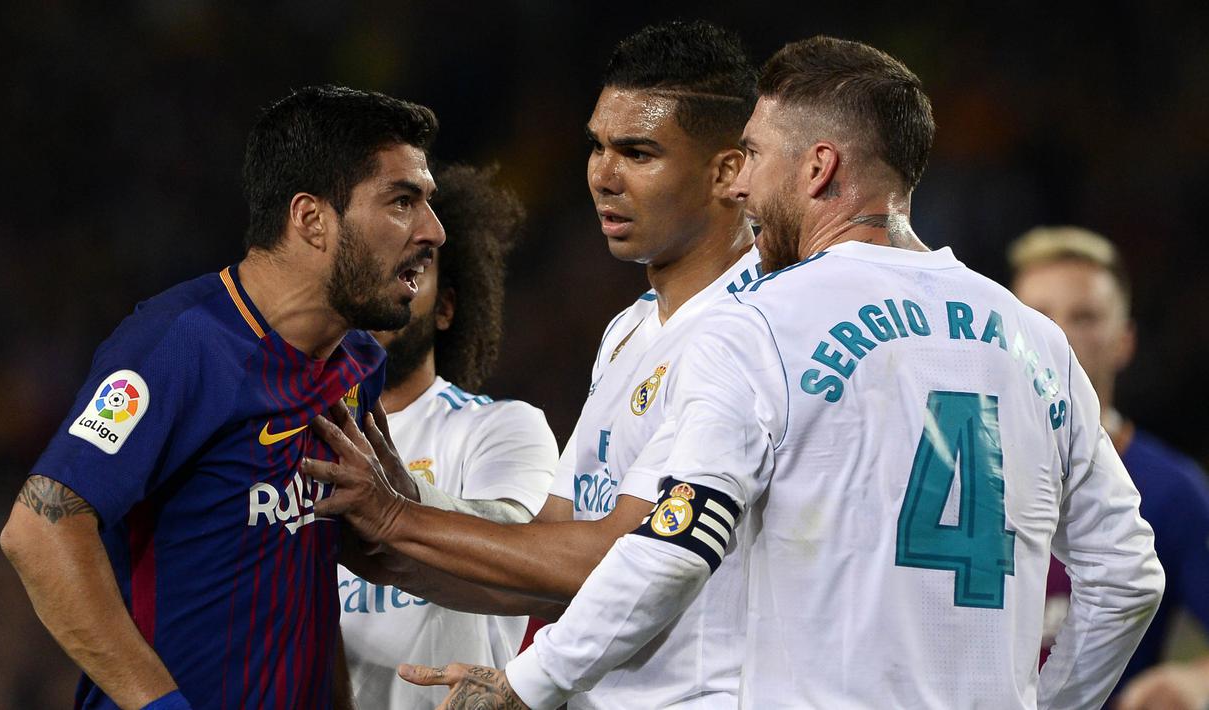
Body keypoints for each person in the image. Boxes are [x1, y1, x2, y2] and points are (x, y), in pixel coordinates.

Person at [386, 36, 1166, 709]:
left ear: (818, 167)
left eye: (755, 156)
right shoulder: (1032, 338)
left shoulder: (760, 323)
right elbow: (1127, 576)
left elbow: (678, 540)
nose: (740, 184)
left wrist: (529, 683)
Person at [306, 20, 760, 709]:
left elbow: (611, 554)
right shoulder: (631, 331)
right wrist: (368, 542)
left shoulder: (751, 330)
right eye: (597, 146)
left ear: (728, 172)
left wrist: (399, 521)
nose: (603, 176)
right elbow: (546, 553)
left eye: (637, 152)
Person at [0, 85, 444, 709]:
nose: (433, 231)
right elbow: (39, 532)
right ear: (311, 219)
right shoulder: (177, 345)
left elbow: (312, 576)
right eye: (402, 201)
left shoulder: (357, 365)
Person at [336, 164, 558, 709]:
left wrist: (402, 505)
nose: (391, 284)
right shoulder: (295, 433)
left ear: (448, 308)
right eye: (374, 264)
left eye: (414, 270)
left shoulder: (500, 428)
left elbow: (526, 552)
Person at [1009, 226, 1209, 710]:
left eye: (1084, 316)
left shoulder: (1172, 490)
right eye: (1036, 316)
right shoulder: (959, 466)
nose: (1056, 334)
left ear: (1124, 342)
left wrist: (1194, 684)